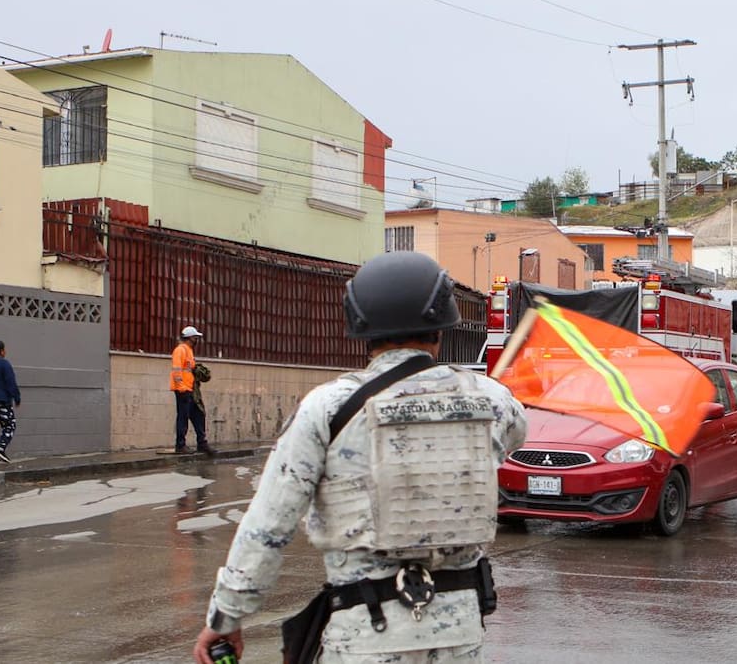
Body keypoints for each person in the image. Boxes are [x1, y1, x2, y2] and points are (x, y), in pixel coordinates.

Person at [193, 251, 528, 664]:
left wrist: (226, 619)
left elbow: (268, 524)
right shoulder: (490, 400)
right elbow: (515, 434)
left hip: (365, 637)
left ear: (359, 326)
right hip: (458, 639)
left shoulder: (327, 407)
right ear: (442, 325)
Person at [171, 326, 213, 454]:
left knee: (198, 415)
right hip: (183, 390)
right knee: (183, 417)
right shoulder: (180, 350)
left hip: (191, 389)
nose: (197, 340)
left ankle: (202, 443)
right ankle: (180, 445)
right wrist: (181, 387)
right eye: (196, 337)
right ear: (190, 338)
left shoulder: (189, 351)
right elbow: (176, 370)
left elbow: (190, 370)